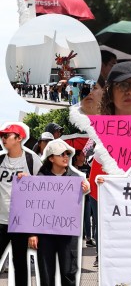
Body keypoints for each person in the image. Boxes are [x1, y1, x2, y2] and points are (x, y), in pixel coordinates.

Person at [89, 61, 131, 267]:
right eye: (122, 85)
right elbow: (95, 189)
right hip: (117, 231)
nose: (130, 91)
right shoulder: (99, 136)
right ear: (110, 93)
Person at [28, 139, 90, 286]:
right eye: (61, 154)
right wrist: (32, 233)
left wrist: (86, 189)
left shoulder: (76, 179)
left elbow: (83, 194)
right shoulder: (39, 180)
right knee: (46, 275)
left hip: (68, 235)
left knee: (69, 273)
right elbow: (32, 208)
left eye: (67, 153)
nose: (66, 157)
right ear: (51, 158)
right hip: (45, 235)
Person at [0, 123, 42, 286]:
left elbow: (48, 184)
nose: (2, 139)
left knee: (20, 265)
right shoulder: (0, 160)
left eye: (6, 136)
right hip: (1, 221)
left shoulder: (31, 159)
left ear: (19, 138)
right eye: (2, 136)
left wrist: (32, 180)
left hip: (21, 223)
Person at [72, 150, 96, 248]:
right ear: (77, 157)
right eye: (82, 154)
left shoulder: (87, 167)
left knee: (87, 217)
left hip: (87, 196)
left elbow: (91, 178)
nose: (84, 156)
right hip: (74, 197)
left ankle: (88, 238)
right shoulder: (71, 168)